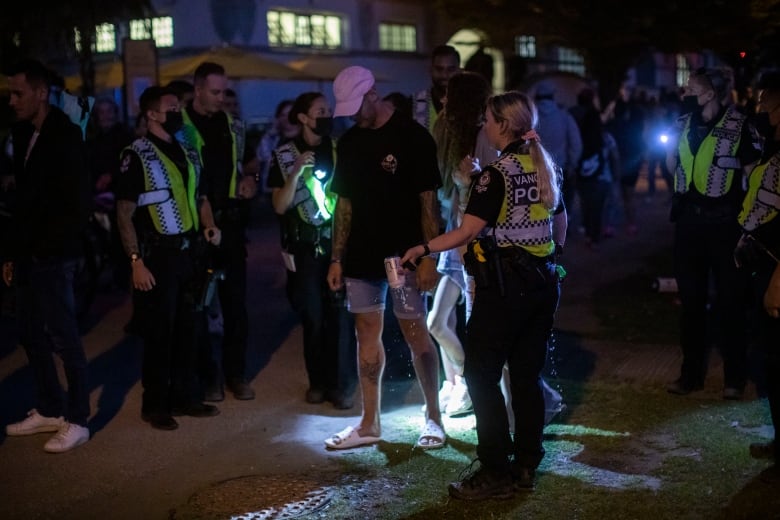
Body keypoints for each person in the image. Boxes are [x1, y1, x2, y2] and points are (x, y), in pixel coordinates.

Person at [402, 90, 566, 499]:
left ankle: (494, 469)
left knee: (480, 375)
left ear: (503, 125)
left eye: (489, 121)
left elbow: (468, 231)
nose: (484, 127)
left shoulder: (498, 172)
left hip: (505, 289)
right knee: (526, 377)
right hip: (543, 284)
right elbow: (561, 220)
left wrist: (424, 248)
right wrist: (553, 257)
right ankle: (527, 463)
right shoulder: (542, 164)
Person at [323, 66, 445, 450]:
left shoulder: (413, 137)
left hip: (405, 255)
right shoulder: (351, 142)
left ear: (373, 93)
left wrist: (429, 256)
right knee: (365, 334)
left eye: (357, 105)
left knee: (415, 331)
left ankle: (434, 416)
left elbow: (429, 202)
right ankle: (369, 422)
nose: (354, 114)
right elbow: (344, 204)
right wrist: (336, 258)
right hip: (361, 257)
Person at [115, 86, 222, 430]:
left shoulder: (188, 152)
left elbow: (201, 197)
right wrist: (135, 261)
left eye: (178, 106)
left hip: (189, 252)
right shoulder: (136, 155)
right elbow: (124, 212)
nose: (177, 112)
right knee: (160, 331)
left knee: (189, 328)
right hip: (156, 255)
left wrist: (208, 226)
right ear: (151, 114)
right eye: (171, 107)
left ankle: (186, 396)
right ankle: (155, 403)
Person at [2, 58, 91, 452]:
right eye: (9, 93)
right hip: (27, 254)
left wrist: (50, 249)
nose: (11, 100)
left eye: (19, 93)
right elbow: (23, 199)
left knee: (64, 338)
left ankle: (78, 418)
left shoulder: (65, 135)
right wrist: (13, 252)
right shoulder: (23, 132)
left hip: (54, 255)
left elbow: (73, 201)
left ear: (41, 93)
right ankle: (50, 407)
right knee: (28, 332)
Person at [665, 67, 761, 399]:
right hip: (689, 227)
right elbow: (672, 165)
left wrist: (748, 229)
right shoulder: (681, 126)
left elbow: (753, 178)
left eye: (690, 88)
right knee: (691, 303)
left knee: (730, 304)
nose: (684, 93)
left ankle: (734, 378)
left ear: (709, 94)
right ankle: (690, 374)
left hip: (725, 226)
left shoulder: (740, 128)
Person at [267, 91, 357, 409]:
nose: (327, 115)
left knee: (341, 316)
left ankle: (342, 385)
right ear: (303, 118)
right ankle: (317, 383)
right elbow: (279, 205)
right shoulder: (284, 155)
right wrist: (296, 174)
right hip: (305, 249)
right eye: (320, 111)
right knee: (313, 317)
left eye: (328, 110)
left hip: (337, 244)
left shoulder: (340, 149)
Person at [180, 62, 257, 402]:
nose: (221, 98)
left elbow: (251, 165)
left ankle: (235, 375)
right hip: (196, 225)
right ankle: (208, 377)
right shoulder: (179, 125)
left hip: (231, 221)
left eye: (224, 91)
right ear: (196, 90)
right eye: (214, 91)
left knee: (236, 304)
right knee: (198, 306)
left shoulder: (234, 125)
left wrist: (249, 181)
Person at [428, 70, 495, 417]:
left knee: (449, 323)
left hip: (474, 245)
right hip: (457, 242)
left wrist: (465, 186)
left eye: (448, 97)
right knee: (437, 322)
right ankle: (465, 382)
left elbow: (487, 202)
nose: (442, 101)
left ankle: (475, 384)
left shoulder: (484, 138)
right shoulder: (451, 134)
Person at [734, 71, 780, 480]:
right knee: (769, 357)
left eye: (765, 103)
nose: (759, 109)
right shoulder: (771, 146)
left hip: (777, 268)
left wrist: (778, 281)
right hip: (762, 257)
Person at [534, 81, 582, 238]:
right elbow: (576, 143)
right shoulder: (564, 116)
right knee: (561, 204)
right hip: (560, 169)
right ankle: (561, 235)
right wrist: (572, 163)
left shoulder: (531, 119)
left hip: (534, 169)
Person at [413, 45, 461, 133]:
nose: (445, 75)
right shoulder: (414, 104)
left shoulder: (470, 105)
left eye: (450, 69)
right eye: (439, 69)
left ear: (460, 71)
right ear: (431, 70)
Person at [256, 99, 298, 195]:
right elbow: (260, 165)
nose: (287, 118)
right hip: (271, 193)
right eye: (283, 115)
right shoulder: (269, 140)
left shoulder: (307, 139)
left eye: (290, 114)